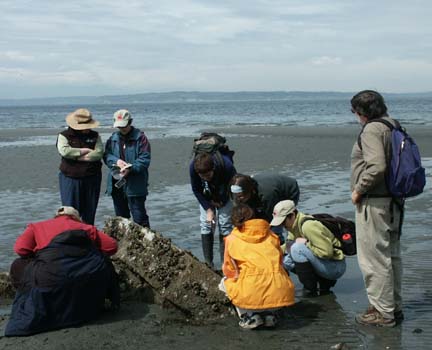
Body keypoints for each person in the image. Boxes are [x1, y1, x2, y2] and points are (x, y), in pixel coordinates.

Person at [5, 206, 119, 336]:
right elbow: (112, 247)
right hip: (84, 278)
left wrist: (40, 253)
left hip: (49, 278)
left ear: (55, 217)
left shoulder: (37, 226)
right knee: (102, 259)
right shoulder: (87, 228)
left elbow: (20, 249)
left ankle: (34, 300)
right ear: (77, 219)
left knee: (17, 264)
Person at [350, 90, 404, 327]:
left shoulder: (372, 129)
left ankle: (383, 312)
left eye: (355, 111)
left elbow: (377, 165)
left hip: (375, 201)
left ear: (361, 112)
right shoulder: (393, 125)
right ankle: (393, 307)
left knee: (374, 259)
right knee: (391, 256)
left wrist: (359, 190)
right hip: (394, 200)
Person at [220, 203, 295, 329]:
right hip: (279, 290)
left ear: (234, 221)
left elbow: (230, 271)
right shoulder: (272, 235)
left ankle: (249, 317)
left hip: (251, 293)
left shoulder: (231, 239)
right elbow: (280, 262)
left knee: (224, 282)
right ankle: (270, 314)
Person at [271, 200, 346, 295]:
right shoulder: (293, 227)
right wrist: (271, 252)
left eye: (283, 222)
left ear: (292, 215)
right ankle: (321, 282)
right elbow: (287, 246)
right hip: (325, 263)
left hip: (335, 266)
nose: (282, 226)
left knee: (296, 249)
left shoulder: (308, 226)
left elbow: (326, 253)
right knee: (284, 260)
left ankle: (311, 288)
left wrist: (306, 244)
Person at [104, 109, 151, 228]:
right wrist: (116, 161)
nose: (122, 129)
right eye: (119, 126)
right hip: (117, 182)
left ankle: (144, 244)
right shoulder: (113, 139)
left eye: (124, 126)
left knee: (139, 218)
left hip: (135, 184)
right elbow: (107, 155)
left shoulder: (141, 138)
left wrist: (131, 168)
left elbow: (145, 159)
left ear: (130, 122)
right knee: (121, 219)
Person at [56, 108, 103, 224]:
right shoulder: (64, 136)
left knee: (89, 212)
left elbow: (99, 153)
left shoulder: (95, 136)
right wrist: (83, 152)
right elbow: (65, 151)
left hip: (92, 177)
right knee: (69, 213)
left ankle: (88, 237)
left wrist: (79, 157)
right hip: (70, 178)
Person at [190, 151, 236, 267]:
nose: (205, 178)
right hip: (207, 195)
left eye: (208, 175)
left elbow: (233, 188)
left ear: (213, 169)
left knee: (224, 224)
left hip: (225, 192)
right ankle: (208, 263)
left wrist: (222, 201)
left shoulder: (227, 166)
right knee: (207, 224)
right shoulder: (193, 168)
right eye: (202, 177)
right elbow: (196, 190)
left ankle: (224, 263)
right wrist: (209, 209)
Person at [230, 172, 300, 243]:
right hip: (268, 190)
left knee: (276, 225)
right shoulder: (238, 193)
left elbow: (270, 218)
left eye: (240, 196)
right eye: (236, 196)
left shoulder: (266, 196)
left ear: (250, 191)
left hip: (288, 191)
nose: (238, 199)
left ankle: (281, 242)